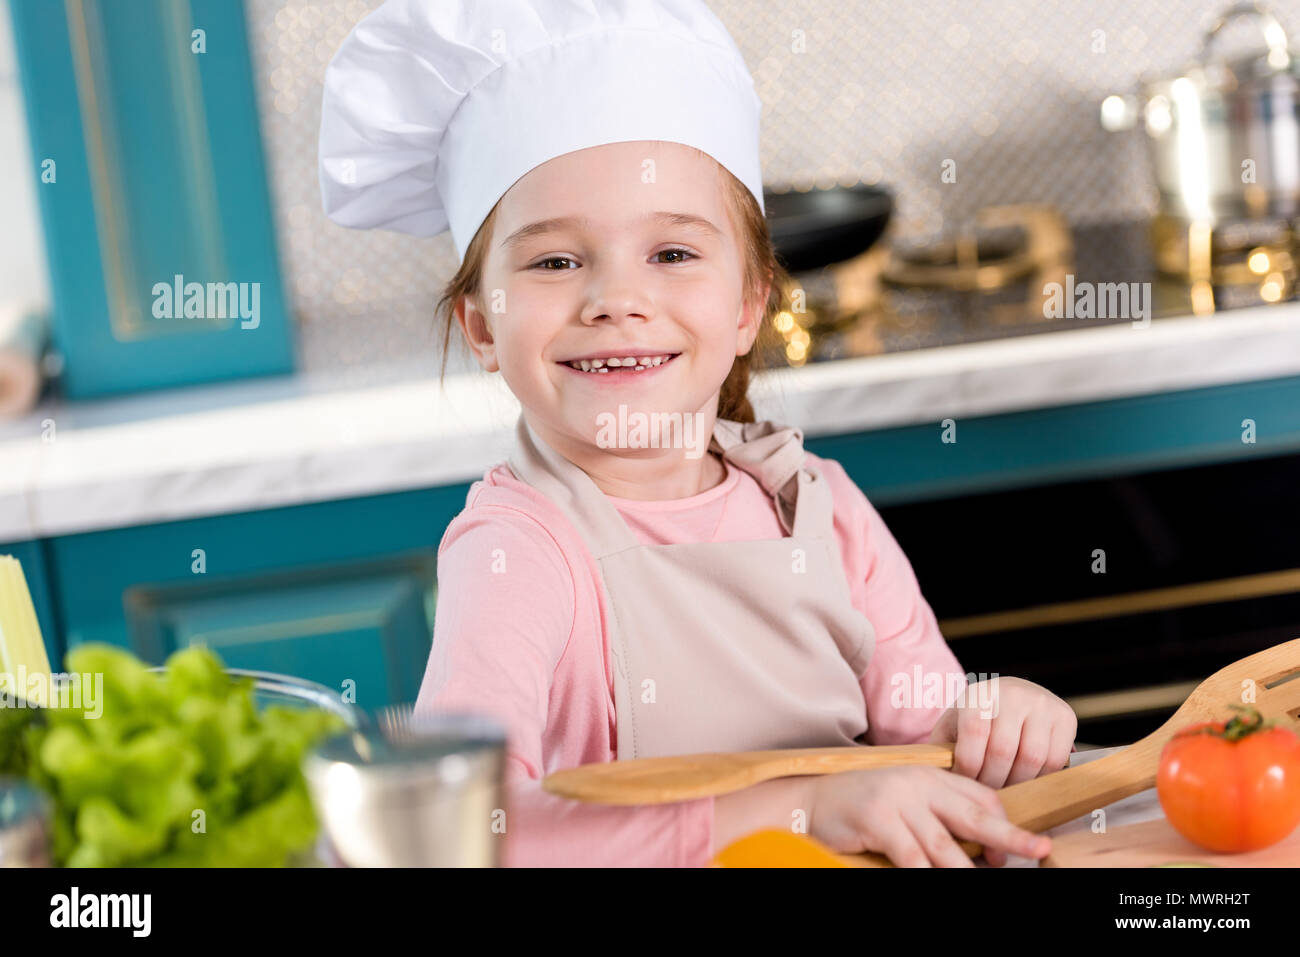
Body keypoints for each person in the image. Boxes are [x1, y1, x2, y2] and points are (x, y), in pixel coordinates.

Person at [319, 0, 1077, 867]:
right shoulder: (519, 554)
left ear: (750, 303)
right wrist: (800, 810)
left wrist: (996, 720)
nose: (616, 299)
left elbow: (930, 735)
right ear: (483, 327)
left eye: (672, 254)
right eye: (556, 261)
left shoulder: (818, 506)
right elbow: (461, 828)